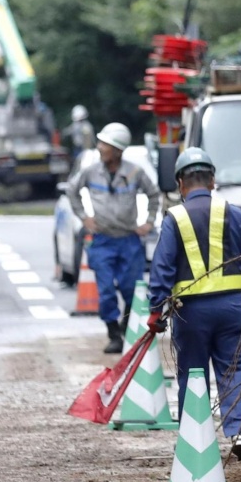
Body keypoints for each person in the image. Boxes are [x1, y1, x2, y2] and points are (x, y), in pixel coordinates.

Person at [147, 147, 241, 461]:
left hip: (191, 313)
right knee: (237, 369)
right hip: (233, 308)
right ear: (213, 180)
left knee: (193, 373)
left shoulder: (174, 218)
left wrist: (155, 309)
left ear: (180, 184)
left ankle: (194, 439)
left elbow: (161, 266)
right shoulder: (233, 211)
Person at [62, 122, 163, 353]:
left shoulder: (134, 173)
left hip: (129, 240)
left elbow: (154, 194)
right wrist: (84, 218)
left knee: (131, 289)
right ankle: (113, 334)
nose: (99, 148)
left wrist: (148, 221)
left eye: (104, 145)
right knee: (106, 290)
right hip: (103, 240)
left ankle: (126, 326)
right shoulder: (90, 172)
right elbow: (72, 190)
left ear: (117, 150)